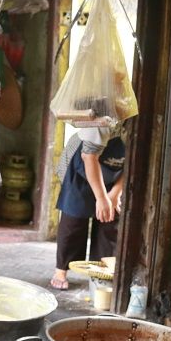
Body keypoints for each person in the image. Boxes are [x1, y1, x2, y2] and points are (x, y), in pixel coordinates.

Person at [49, 124, 126, 290]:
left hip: (115, 171)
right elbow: (89, 157)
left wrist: (115, 193)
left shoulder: (139, 124)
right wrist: (101, 196)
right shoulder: (102, 118)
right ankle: (61, 270)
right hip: (83, 165)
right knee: (74, 218)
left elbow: (134, 165)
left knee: (110, 220)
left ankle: (101, 271)